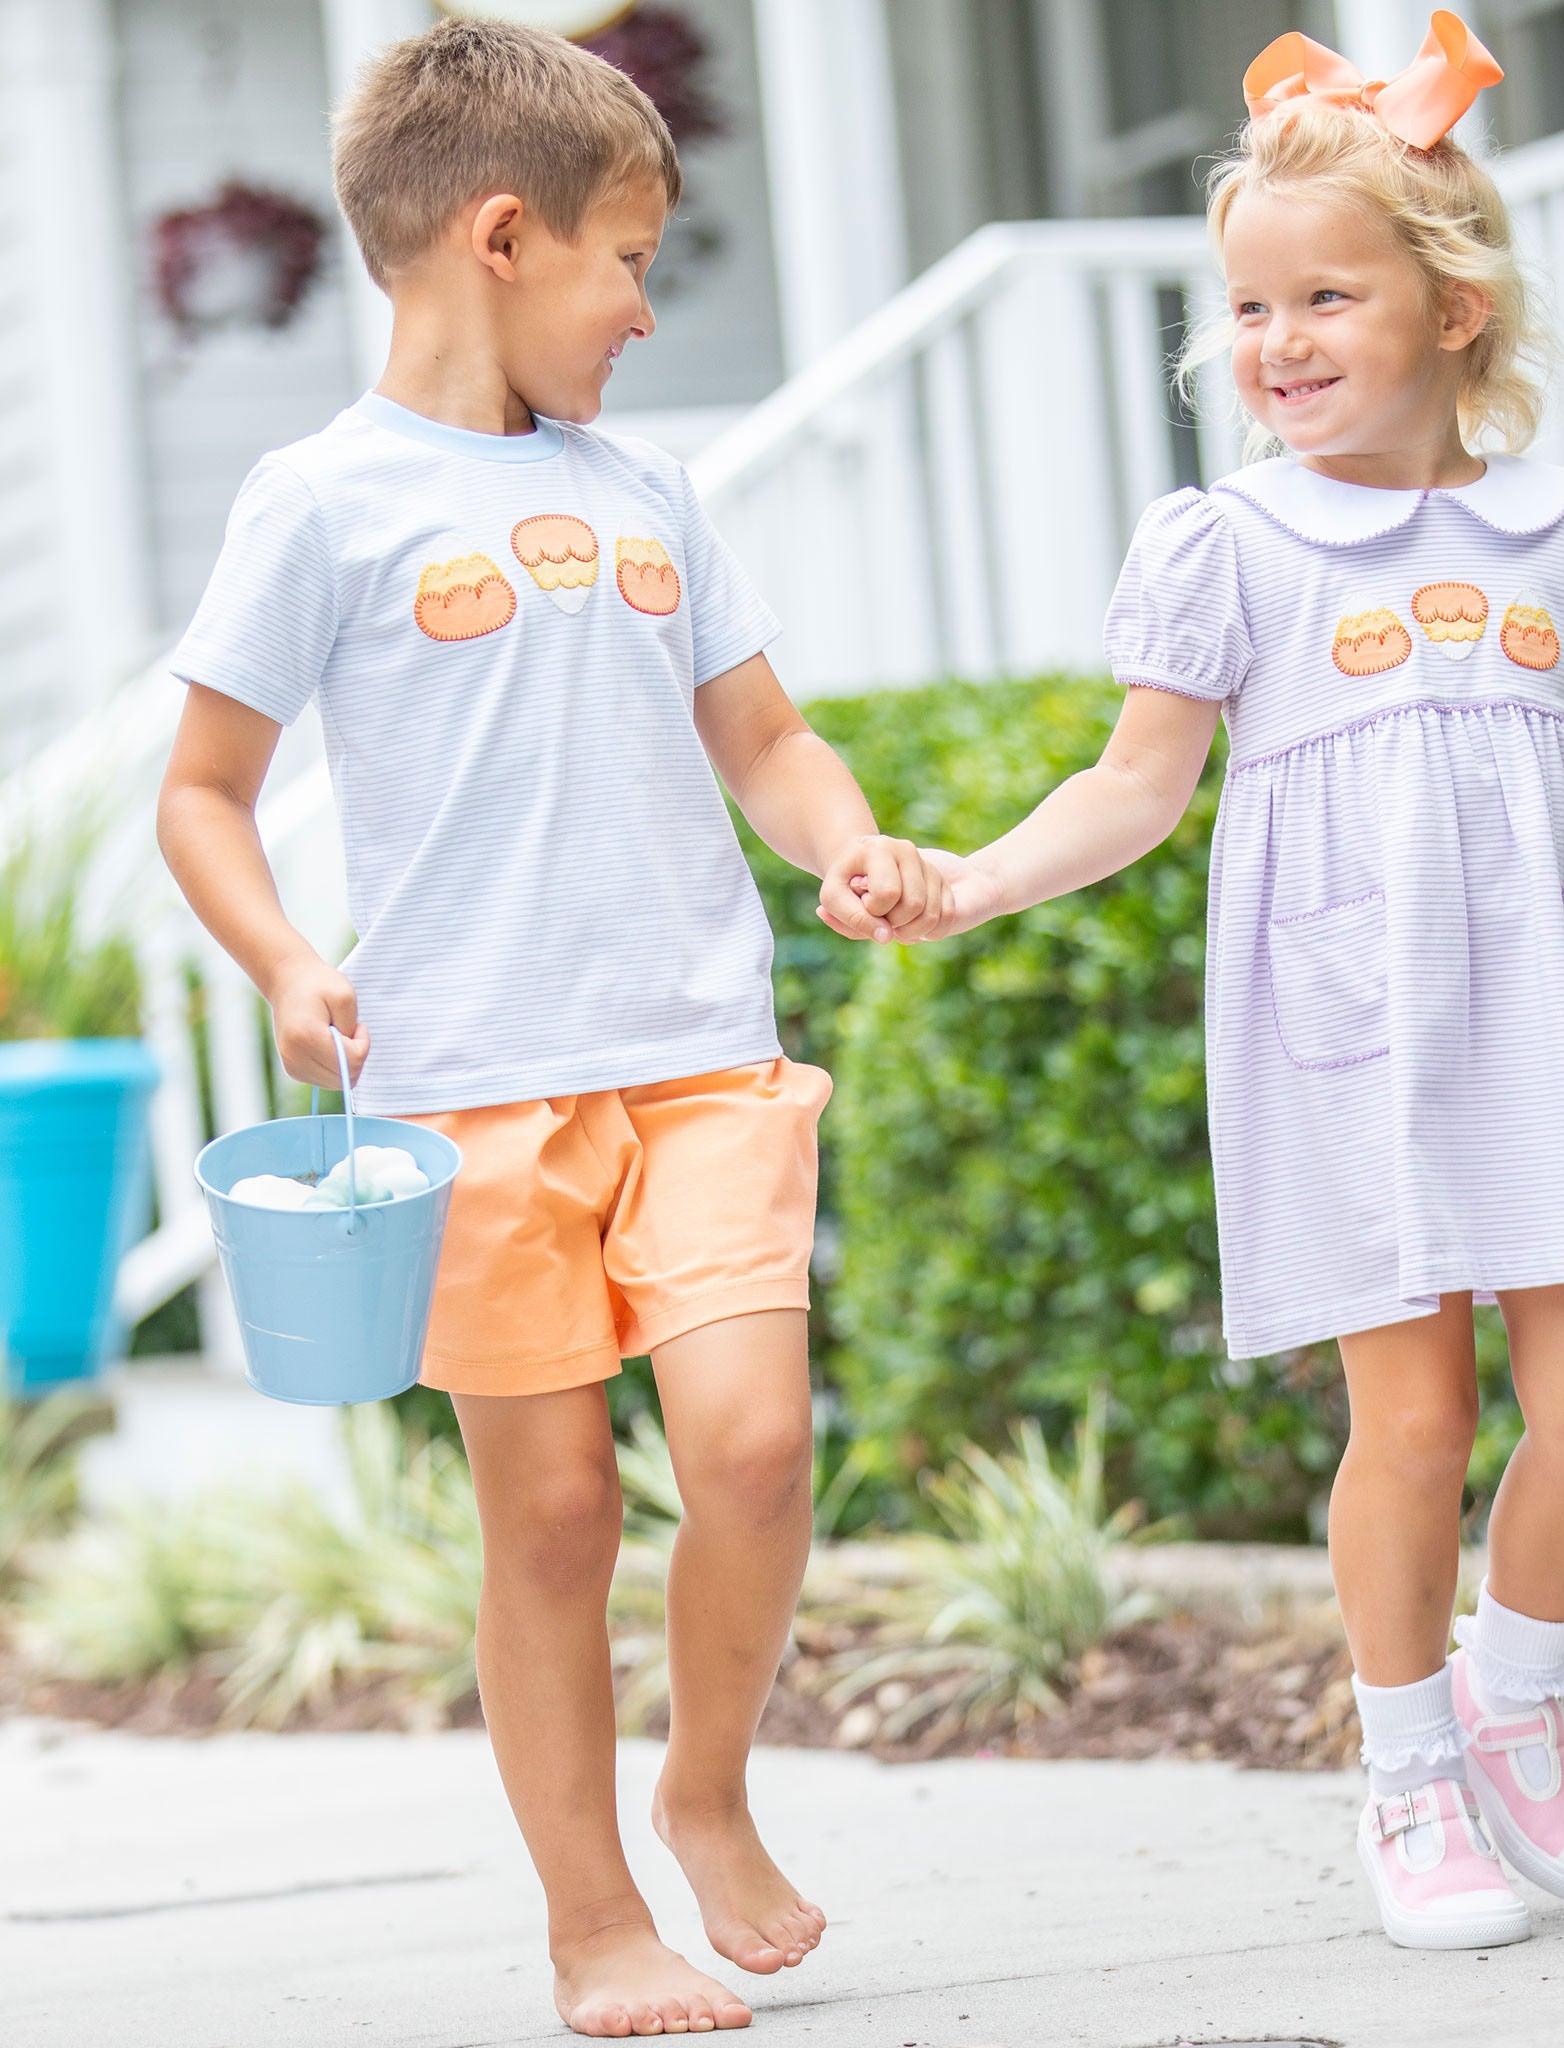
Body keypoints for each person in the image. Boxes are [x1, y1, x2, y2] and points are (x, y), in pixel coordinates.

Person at [915, 18, 1564, 1950]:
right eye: (1250, 304)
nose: (1281, 337)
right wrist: (976, 883)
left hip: (1562, 1010)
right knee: (1407, 1422)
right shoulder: (1232, 544)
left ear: (1457, 305)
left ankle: (1515, 1707)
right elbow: (1136, 782)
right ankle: (1408, 1773)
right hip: (1356, 1031)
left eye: (1329, 292)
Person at [156, 20, 950, 2033]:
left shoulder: (650, 486)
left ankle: (705, 1786)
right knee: (557, 1512)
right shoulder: (318, 501)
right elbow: (201, 789)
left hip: (693, 1056)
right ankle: (592, 1920)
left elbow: (762, 735)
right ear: (499, 237)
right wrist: (278, 960)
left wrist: (842, 840)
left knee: (755, 1450)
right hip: (470, 1103)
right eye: (627, 259)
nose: (643, 304)